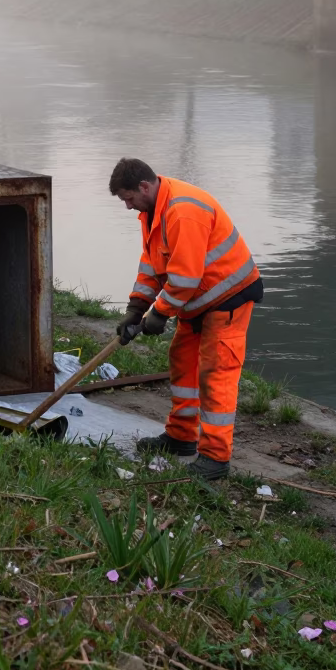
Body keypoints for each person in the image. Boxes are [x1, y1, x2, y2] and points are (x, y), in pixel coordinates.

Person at [110, 157, 263, 481]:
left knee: (216, 374)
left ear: (144, 187)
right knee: (183, 360)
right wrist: (137, 306)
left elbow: (184, 277)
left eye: (129, 198)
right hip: (199, 301)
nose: (128, 206)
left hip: (228, 297)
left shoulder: (183, 211)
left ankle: (215, 458)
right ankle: (181, 436)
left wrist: (158, 314)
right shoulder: (152, 211)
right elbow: (152, 263)